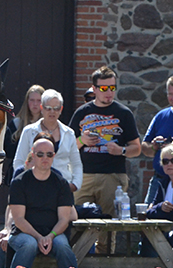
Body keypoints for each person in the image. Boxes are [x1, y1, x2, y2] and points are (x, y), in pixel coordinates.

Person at [69, 66, 141, 246]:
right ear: (94, 89)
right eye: (103, 88)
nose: (108, 92)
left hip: (112, 177)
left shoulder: (124, 113)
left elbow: (137, 148)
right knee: (74, 221)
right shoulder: (82, 112)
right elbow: (67, 147)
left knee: (108, 228)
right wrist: (82, 140)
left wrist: (121, 150)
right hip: (83, 176)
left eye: (112, 87)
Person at [6, 138, 77, 268]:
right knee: (29, 244)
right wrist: (39, 237)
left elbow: (64, 219)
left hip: (54, 233)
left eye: (49, 154)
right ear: (33, 155)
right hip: (23, 233)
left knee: (62, 245)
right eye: (40, 154)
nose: (45, 157)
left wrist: (50, 236)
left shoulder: (61, 184)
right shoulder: (19, 182)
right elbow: (19, 219)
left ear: (53, 156)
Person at [13, 89, 82, 191]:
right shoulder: (29, 131)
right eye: (48, 108)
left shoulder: (69, 133)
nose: (52, 112)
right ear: (42, 108)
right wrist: (26, 181)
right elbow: (19, 161)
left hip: (62, 187)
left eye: (56, 108)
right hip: (34, 187)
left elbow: (76, 164)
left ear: (61, 109)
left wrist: (75, 184)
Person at [141, 76, 173, 204]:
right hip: (159, 179)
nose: (172, 97)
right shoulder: (161, 116)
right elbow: (144, 147)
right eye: (170, 94)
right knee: (148, 218)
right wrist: (154, 146)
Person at [5, 85, 44, 184]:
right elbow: (9, 152)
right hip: (22, 172)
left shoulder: (49, 124)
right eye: (32, 100)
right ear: (27, 102)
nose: (35, 104)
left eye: (38, 100)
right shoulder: (16, 124)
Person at [140, 144, 173, 257]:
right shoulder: (163, 183)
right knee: (148, 237)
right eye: (165, 161)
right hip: (164, 229)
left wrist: (159, 210)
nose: (169, 164)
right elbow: (149, 212)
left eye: (172, 160)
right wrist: (160, 208)